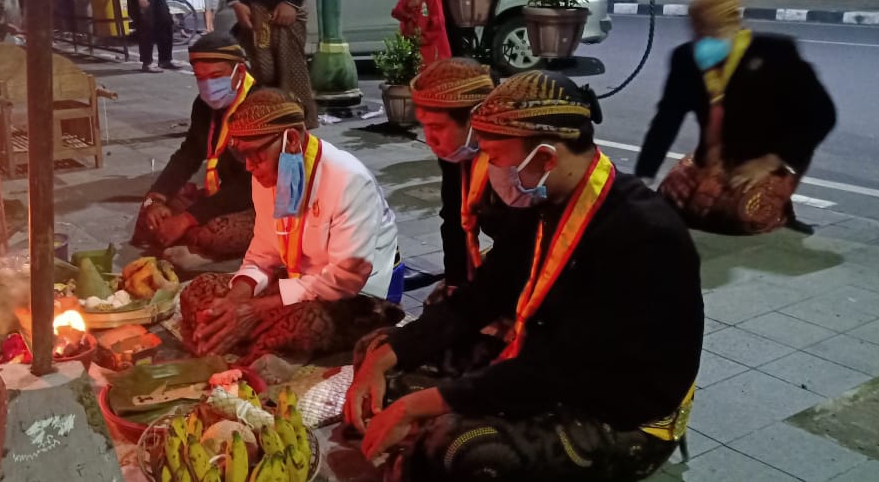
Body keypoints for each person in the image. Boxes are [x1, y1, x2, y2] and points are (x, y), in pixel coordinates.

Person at [344, 71, 704, 482]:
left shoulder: (644, 235)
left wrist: (423, 405)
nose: (491, 170)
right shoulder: (543, 199)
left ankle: (424, 448)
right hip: (539, 360)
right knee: (378, 354)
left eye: (496, 158)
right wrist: (386, 355)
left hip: (616, 407)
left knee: (456, 446)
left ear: (547, 158)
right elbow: (482, 295)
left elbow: (561, 369)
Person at [179, 88, 402, 364]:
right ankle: (241, 339)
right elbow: (263, 254)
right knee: (199, 290)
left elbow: (344, 282)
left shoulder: (349, 180)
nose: (249, 167)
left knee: (303, 325)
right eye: (242, 156)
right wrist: (236, 301)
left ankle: (245, 343)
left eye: (255, 154)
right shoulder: (268, 175)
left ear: (292, 140)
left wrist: (255, 310)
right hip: (294, 284)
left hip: (354, 300)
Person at [637, 0, 836, 235]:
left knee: (743, 214)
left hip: (766, 157)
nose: (701, 38)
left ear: (732, 24)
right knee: (672, 202)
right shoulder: (686, 59)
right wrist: (643, 177)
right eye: (697, 30)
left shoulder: (775, 53)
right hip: (714, 158)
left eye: (710, 30)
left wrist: (771, 161)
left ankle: (780, 207)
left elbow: (822, 114)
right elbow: (667, 119)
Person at [133, 33, 258, 267]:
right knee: (151, 212)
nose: (208, 85)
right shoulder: (204, 105)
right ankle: (189, 239)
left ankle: (201, 244)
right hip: (221, 195)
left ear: (239, 72)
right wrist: (156, 198)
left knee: (215, 234)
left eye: (216, 76)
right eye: (200, 78)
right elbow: (189, 153)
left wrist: (188, 218)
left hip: (265, 201)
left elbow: (251, 183)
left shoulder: (263, 105)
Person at [409, 58, 501, 301]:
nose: (430, 140)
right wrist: (455, 282)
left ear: (475, 119)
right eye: (424, 127)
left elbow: (519, 248)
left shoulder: (514, 163)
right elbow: (454, 219)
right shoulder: (459, 150)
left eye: (437, 127)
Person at [219, 0, 319, 128]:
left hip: (287, 2)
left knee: (290, 68)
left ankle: (298, 124)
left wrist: (291, 2)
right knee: (264, 70)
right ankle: (265, 117)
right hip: (251, 4)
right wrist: (236, 2)